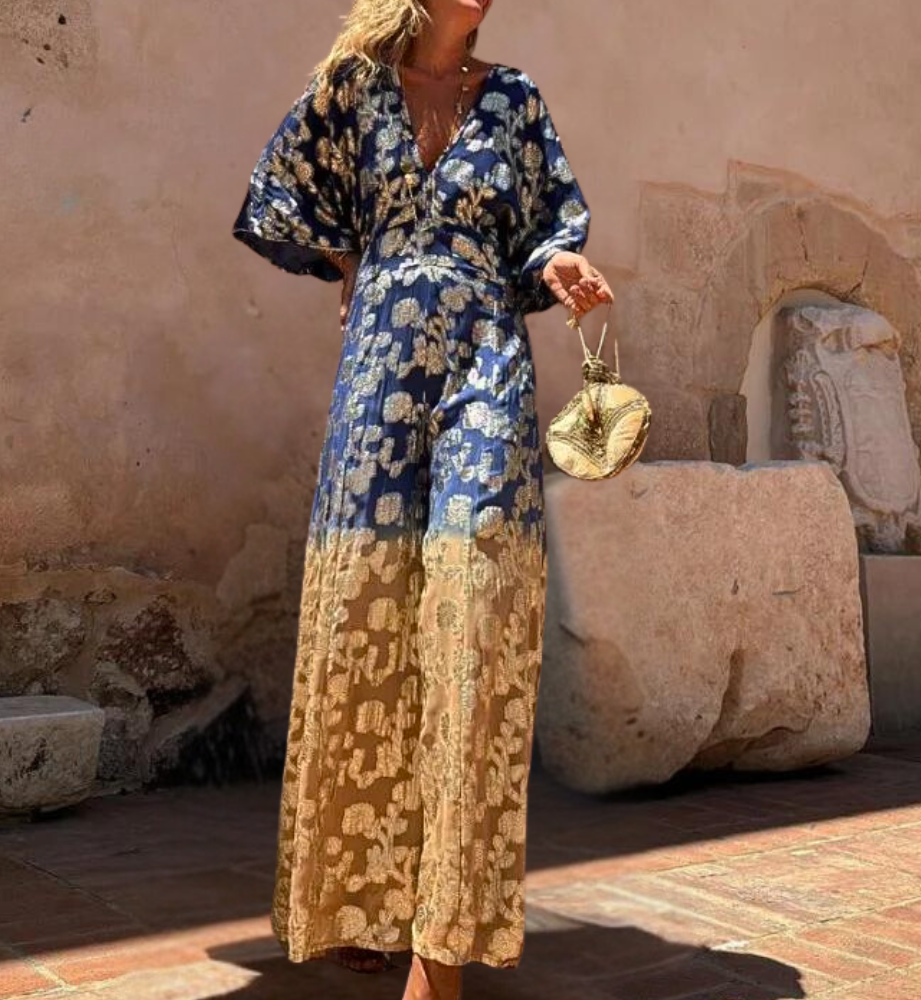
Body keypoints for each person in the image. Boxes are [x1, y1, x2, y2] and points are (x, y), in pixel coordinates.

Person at [232, 1, 613, 997]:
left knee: (476, 617)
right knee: (371, 622)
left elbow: (545, 224)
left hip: (488, 363)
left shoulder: (515, 99)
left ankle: (442, 948)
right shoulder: (353, 90)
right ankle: (367, 895)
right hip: (380, 375)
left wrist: (558, 262)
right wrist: (358, 266)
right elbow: (279, 193)